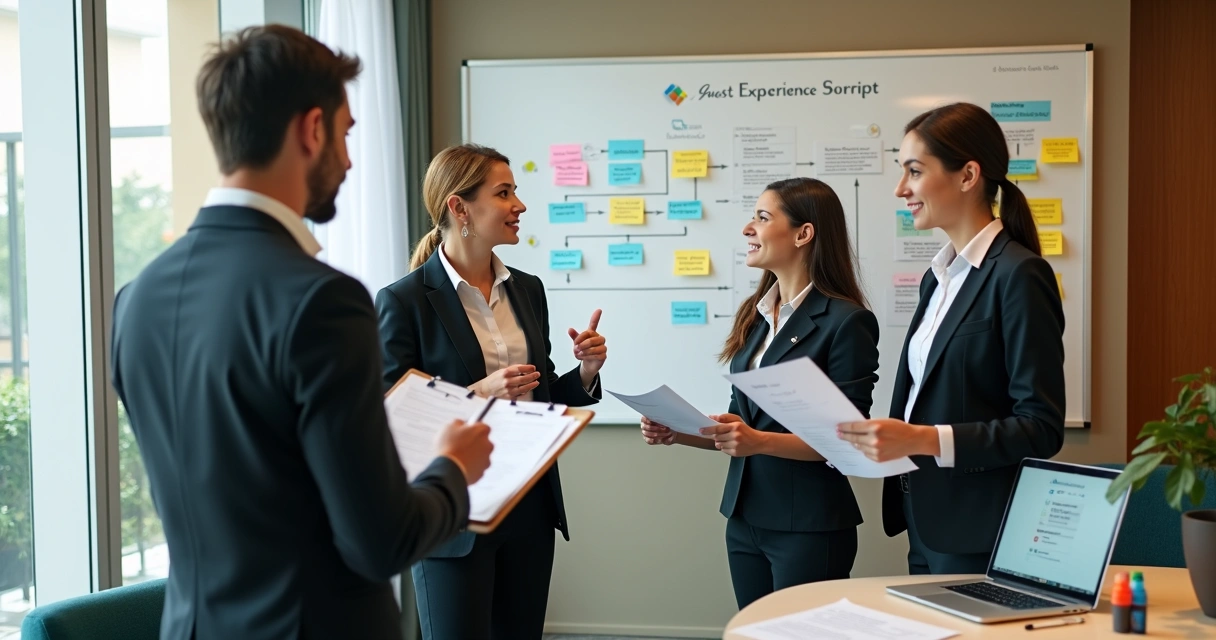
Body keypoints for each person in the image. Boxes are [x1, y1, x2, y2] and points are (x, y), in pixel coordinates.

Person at [110, 26, 493, 640]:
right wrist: (453, 467)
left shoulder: (136, 299)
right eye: (345, 134)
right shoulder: (322, 301)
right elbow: (381, 542)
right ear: (312, 129)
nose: (349, 160)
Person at [375, 143, 607, 639]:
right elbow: (393, 419)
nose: (519, 205)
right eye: (504, 193)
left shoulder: (528, 289)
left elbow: (541, 396)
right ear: (459, 208)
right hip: (452, 510)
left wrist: (586, 371)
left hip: (530, 504)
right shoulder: (403, 301)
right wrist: (479, 393)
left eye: (514, 192)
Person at [837, 102, 1066, 575]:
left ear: (967, 176)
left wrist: (921, 438)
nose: (901, 188)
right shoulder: (937, 278)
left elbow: (1041, 427)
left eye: (915, 171)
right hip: (922, 516)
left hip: (978, 527)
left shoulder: (1019, 274)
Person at [639, 177, 879, 608]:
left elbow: (848, 439)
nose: (748, 228)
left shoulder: (846, 321)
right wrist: (679, 432)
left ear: (804, 234)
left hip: (808, 523)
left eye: (763, 218)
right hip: (745, 517)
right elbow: (742, 426)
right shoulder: (757, 315)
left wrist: (758, 441)